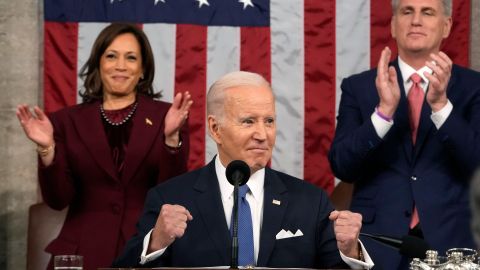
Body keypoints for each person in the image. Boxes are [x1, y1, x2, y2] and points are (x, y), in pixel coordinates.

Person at [113, 71, 374, 269]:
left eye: (269, 121)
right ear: (215, 129)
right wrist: (156, 241)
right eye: (248, 121)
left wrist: (351, 252)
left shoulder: (311, 201)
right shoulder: (169, 199)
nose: (262, 134)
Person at [16, 23, 192, 270]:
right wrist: (48, 150)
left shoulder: (168, 117)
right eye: (111, 56)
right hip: (82, 252)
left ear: (142, 69)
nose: (120, 65)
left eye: (131, 58)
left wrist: (171, 140)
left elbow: (173, 194)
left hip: (145, 250)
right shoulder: (65, 121)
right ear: (99, 63)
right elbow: (58, 200)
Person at [328, 0, 480, 269]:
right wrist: (383, 114)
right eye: (407, 11)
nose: (416, 20)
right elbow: (342, 166)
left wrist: (442, 107)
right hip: (377, 243)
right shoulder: (359, 87)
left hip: (453, 243)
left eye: (427, 12)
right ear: (393, 25)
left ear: (446, 26)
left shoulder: (474, 87)